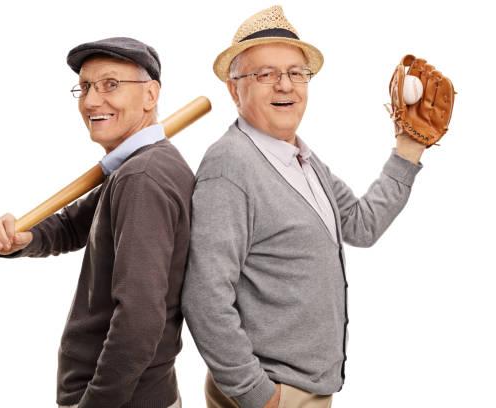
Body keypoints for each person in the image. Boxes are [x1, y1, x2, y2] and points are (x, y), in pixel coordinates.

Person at [181, 6, 427, 408]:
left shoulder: (303, 159)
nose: (285, 85)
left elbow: (361, 226)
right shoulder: (230, 166)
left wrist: (408, 150)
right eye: (266, 74)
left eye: (296, 73)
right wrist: (258, 395)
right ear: (234, 88)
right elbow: (205, 296)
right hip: (272, 393)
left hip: (306, 391)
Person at [0, 37, 193, 408]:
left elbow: (139, 318)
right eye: (86, 87)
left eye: (111, 85)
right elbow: (75, 226)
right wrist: (22, 238)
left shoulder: (142, 177)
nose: (92, 101)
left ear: (150, 95)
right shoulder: (136, 168)